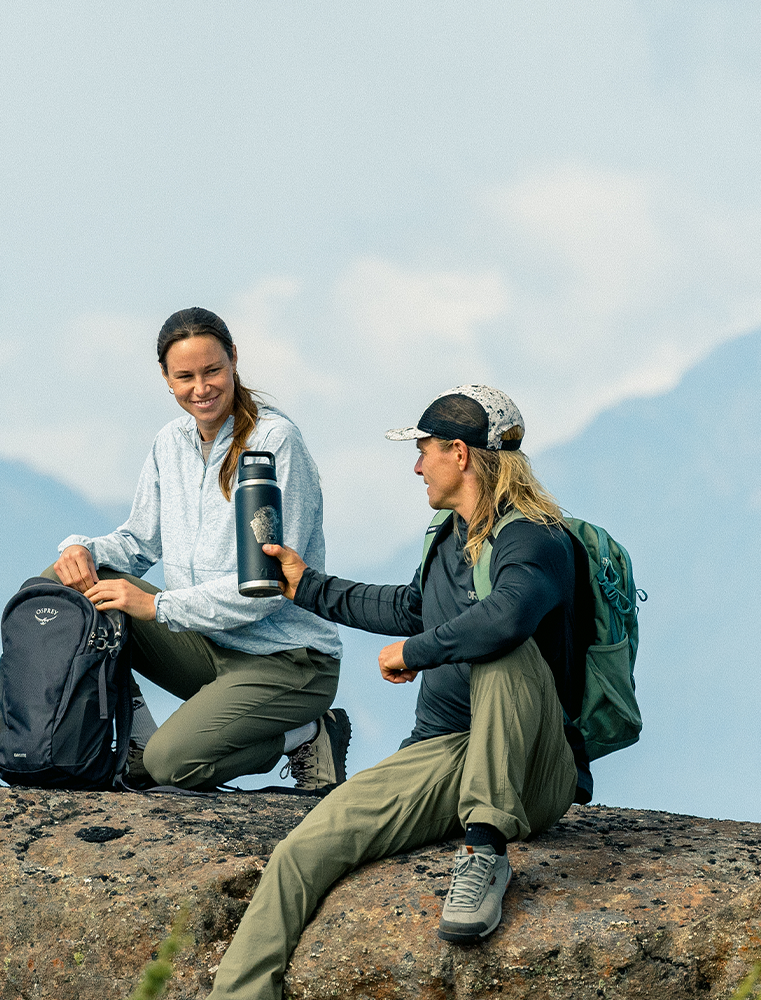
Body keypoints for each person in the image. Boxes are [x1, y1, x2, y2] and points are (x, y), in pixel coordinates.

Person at [208, 385, 584, 1000]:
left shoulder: (535, 540)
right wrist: (307, 588)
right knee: (302, 851)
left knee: (502, 649)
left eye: (424, 450)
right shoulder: (449, 537)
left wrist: (419, 653)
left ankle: (485, 851)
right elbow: (411, 608)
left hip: (530, 765)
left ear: (459, 453)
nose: (416, 466)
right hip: (442, 753)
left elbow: (509, 616)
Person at [48, 307, 347, 792]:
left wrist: (157, 606)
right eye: (185, 376)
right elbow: (139, 542)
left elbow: (268, 587)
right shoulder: (170, 442)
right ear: (166, 379)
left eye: (212, 371)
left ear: (233, 359)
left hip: (287, 660)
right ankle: (137, 738)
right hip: (208, 646)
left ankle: (306, 733)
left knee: (170, 767)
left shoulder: (274, 444)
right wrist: (77, 547)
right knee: (59, 583)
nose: (201, 388)